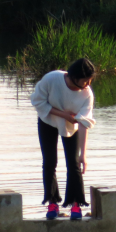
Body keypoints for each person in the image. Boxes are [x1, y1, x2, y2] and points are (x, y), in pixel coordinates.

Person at [31, 58, 96, 220]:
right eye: (85, 80)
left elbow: (84, 123)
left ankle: (75, 204)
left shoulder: (87, 94)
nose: (88, 83)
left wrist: (83, 154)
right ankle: (52, 202)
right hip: (48, 120)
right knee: (49, 161)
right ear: (73, 77)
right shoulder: (51, 79)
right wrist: (64, 115)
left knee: (74, 163)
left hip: (71, 127)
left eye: (90, 79)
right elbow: (37, 101)